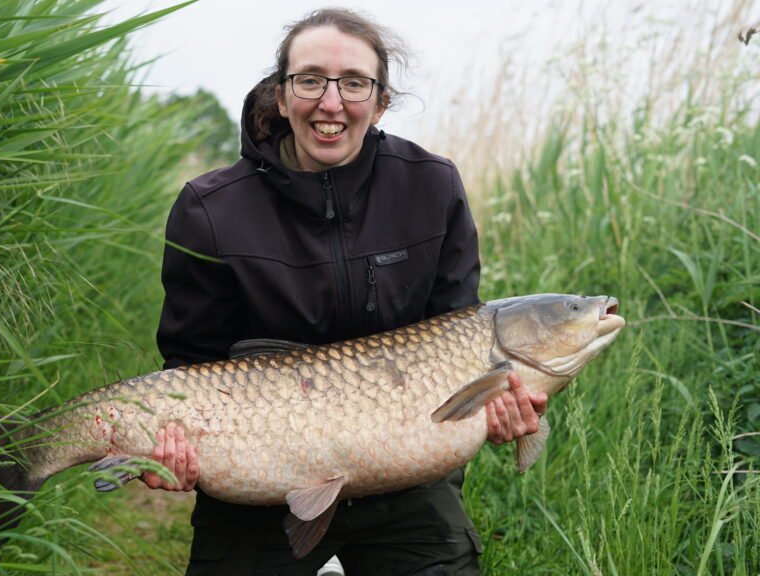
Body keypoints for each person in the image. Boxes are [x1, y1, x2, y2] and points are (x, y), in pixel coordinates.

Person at [144, 8, 547, 575]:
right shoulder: (210, 208)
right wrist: (172, 446)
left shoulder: (432, 186)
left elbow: (458, 336)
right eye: (310, 80)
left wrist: (499, 411)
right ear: (282, 95)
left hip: (405, 485)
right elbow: (191, 364)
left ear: (380, 102)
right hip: (265, 478)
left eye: (355, 83)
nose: (330, 103)